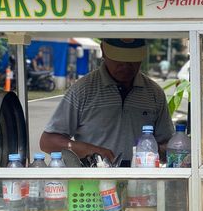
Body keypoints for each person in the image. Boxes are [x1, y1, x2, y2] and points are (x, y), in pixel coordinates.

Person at [40, 38, 174, 166]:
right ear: (103, 51)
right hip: (94, 182)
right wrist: (90, 150)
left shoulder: (154, 93)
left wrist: (157, 151)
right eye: (119, 60)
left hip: (141, 180)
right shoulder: (82, 90)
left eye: (132, 61)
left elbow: (167, 144)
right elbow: (48, 142)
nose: (126, 66)